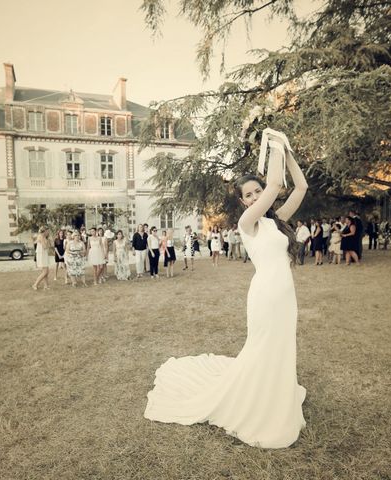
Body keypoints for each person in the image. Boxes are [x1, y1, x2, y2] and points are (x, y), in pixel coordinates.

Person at [145, 129, 308, 448]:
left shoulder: (277, 220)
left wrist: (286, 151)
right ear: (242, 201)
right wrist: (274, 144)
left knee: (282, 345)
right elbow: (275, 185)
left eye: (256, 191)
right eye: (248, 195)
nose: (253, 197)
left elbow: (299, 186)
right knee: (262, 347)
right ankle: (256, 403)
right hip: (264, 296)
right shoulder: (248, 223)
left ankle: (276, 394)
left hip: (285, 296)